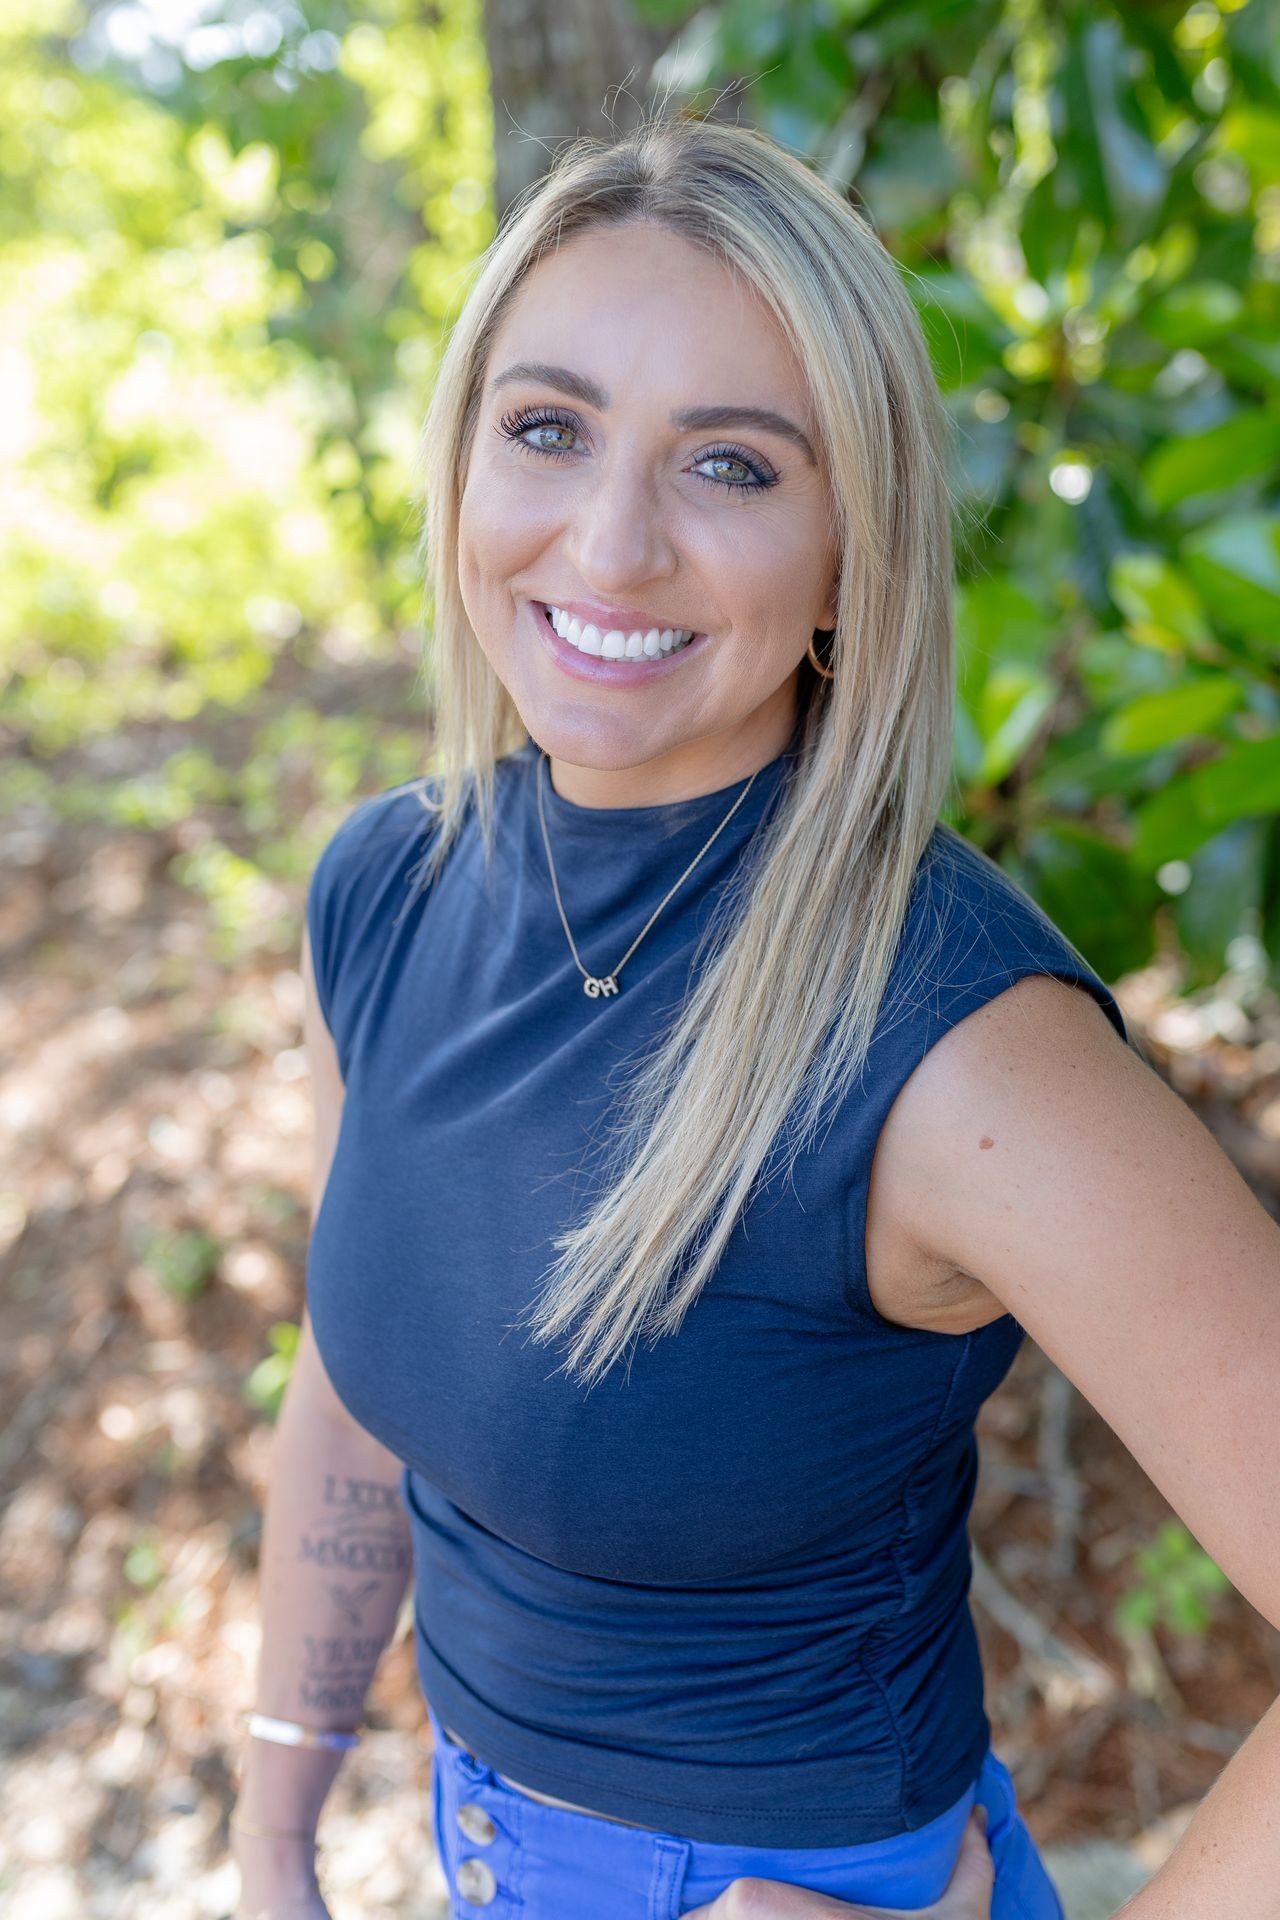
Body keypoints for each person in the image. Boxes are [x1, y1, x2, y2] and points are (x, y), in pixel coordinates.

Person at [230, 110, 1280, 1920]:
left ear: (849, 555)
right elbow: (358, 1378)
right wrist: (274, 1830)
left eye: (730, 468)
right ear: (464, 469)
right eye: (548, 430)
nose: (612, 543)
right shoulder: (387, 893)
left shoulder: (957, 1048)